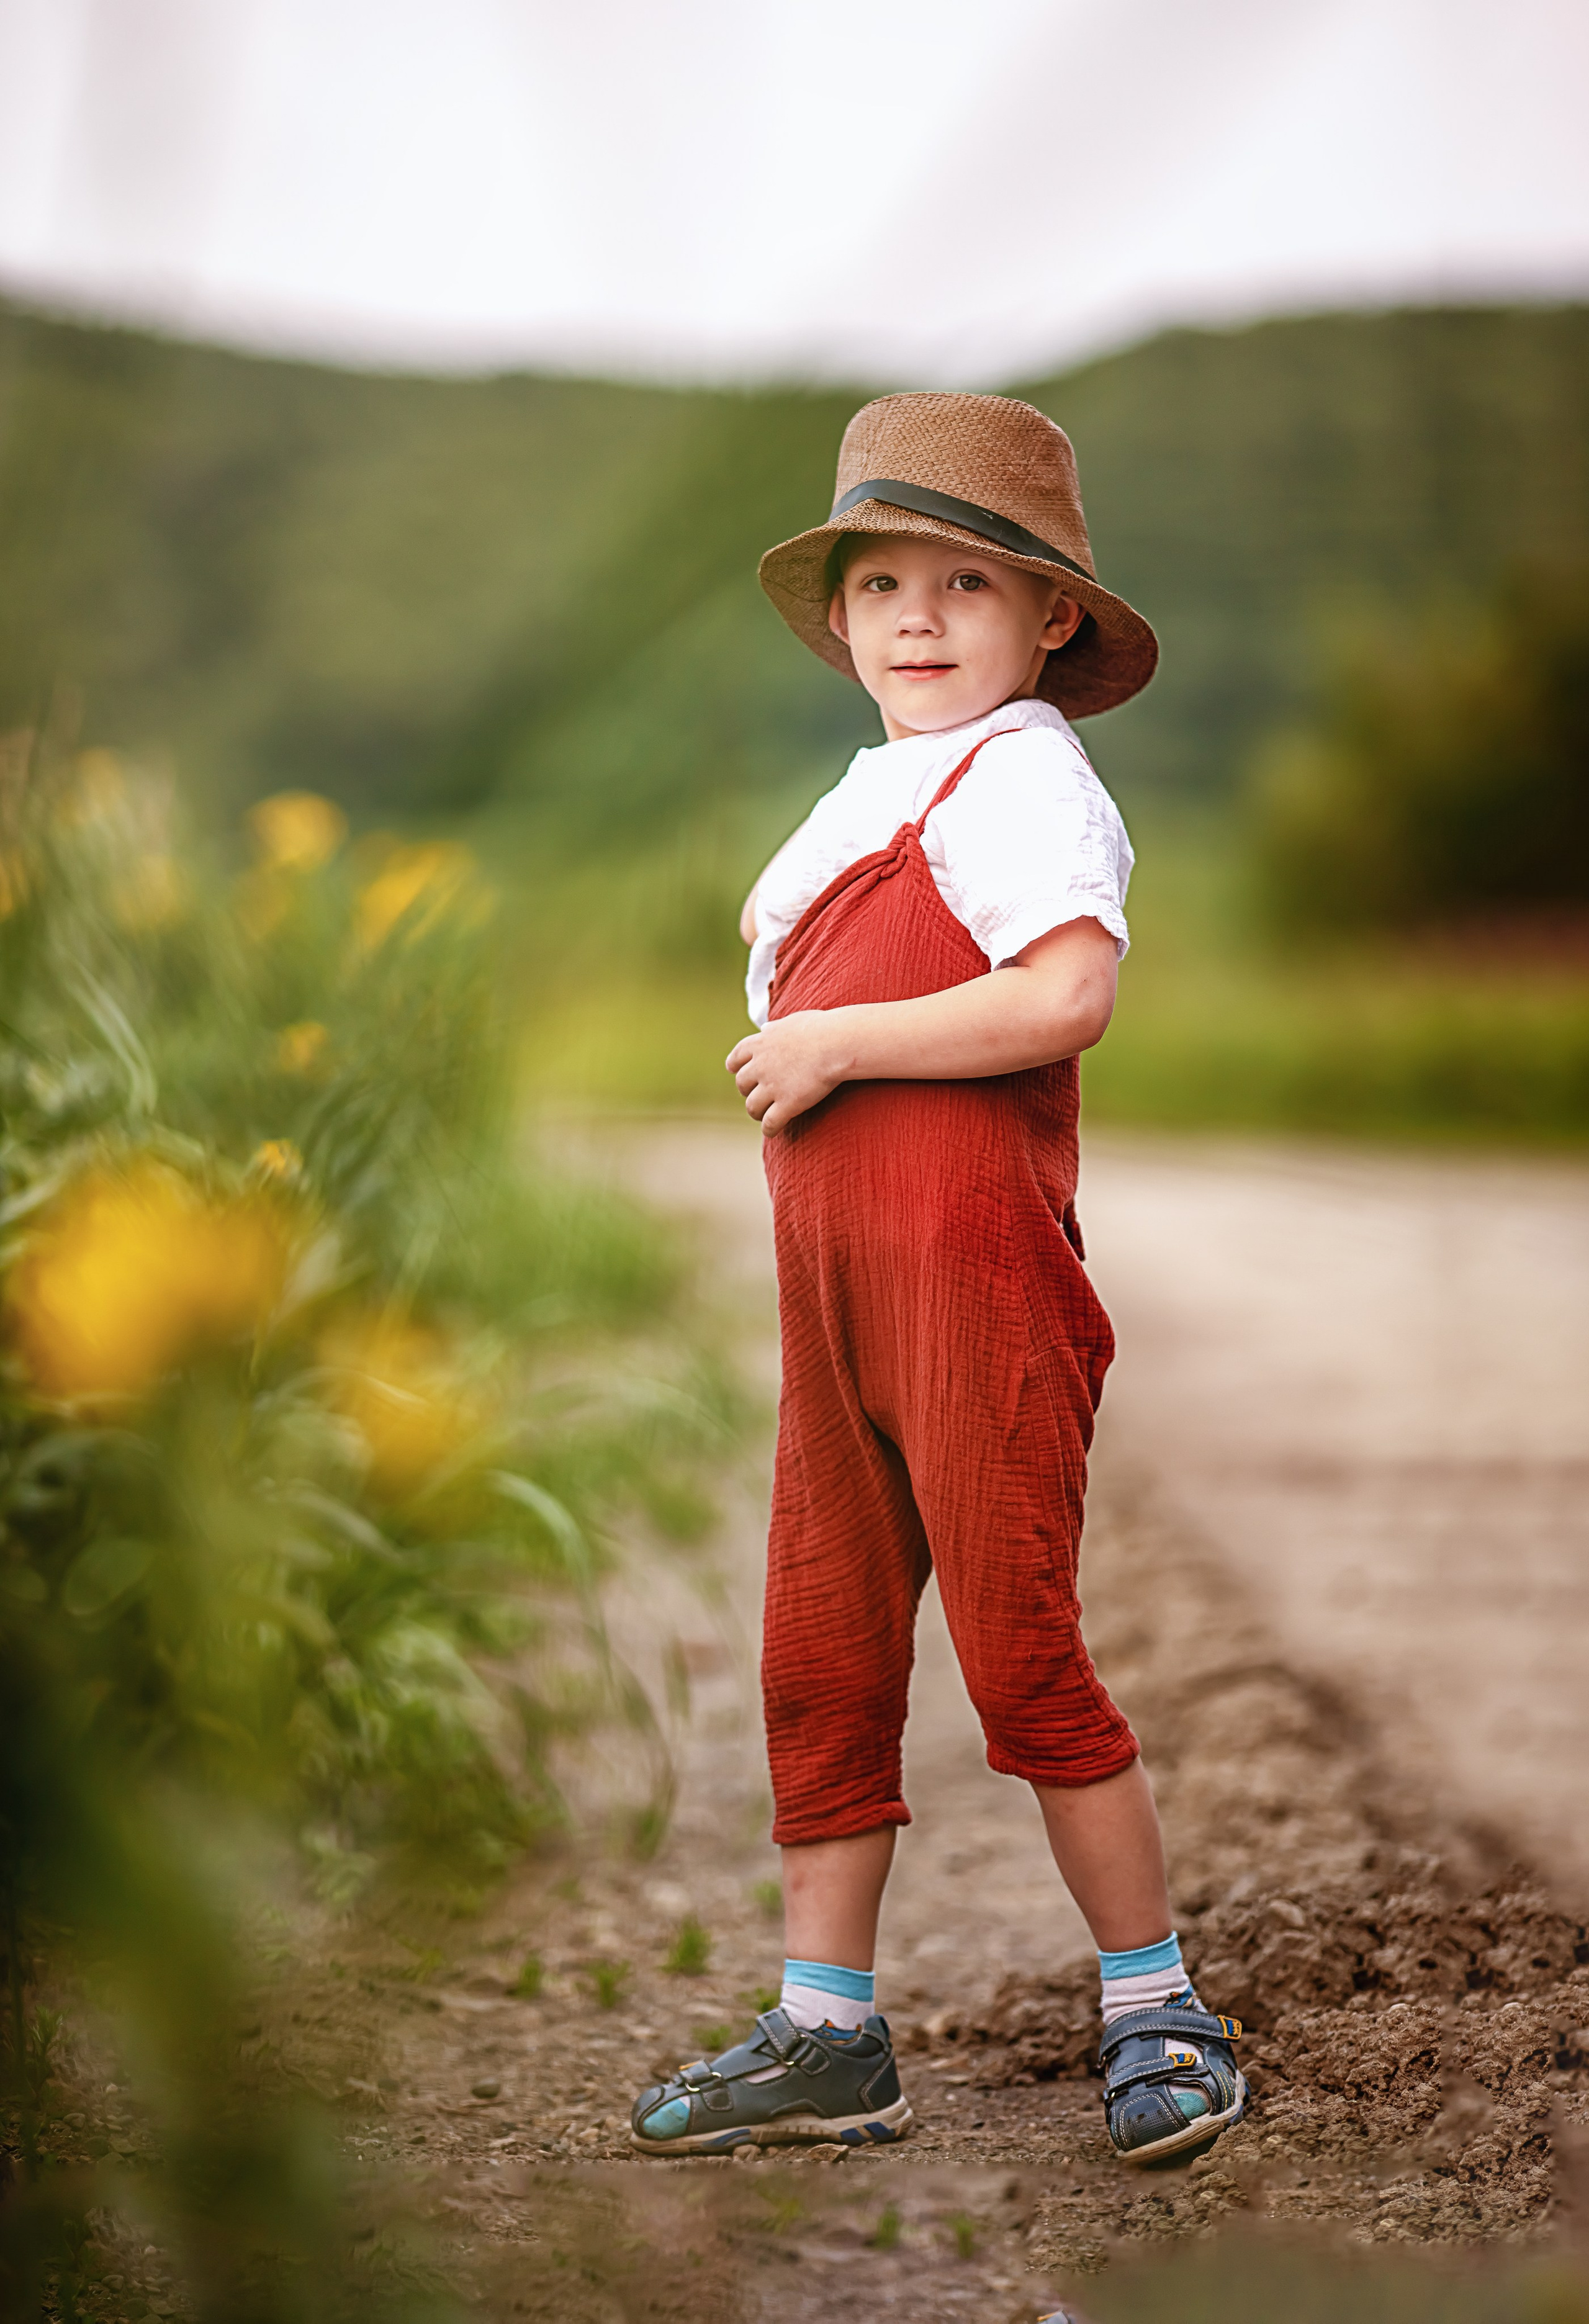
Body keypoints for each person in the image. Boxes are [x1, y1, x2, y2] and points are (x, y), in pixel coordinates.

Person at [628, 392, 1243, 2168]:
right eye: (881, 580)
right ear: (839, 619)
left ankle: (1155, 2003)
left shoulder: (1031, 773)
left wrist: (836, 1046)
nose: (914, 615)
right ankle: (831, 2034)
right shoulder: (869, 787)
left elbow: (1065, 998)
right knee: (819, 1655)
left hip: (977, 1294)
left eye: (965, 580)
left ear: (1048, 614)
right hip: (835, 1306)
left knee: (1021, 1650)